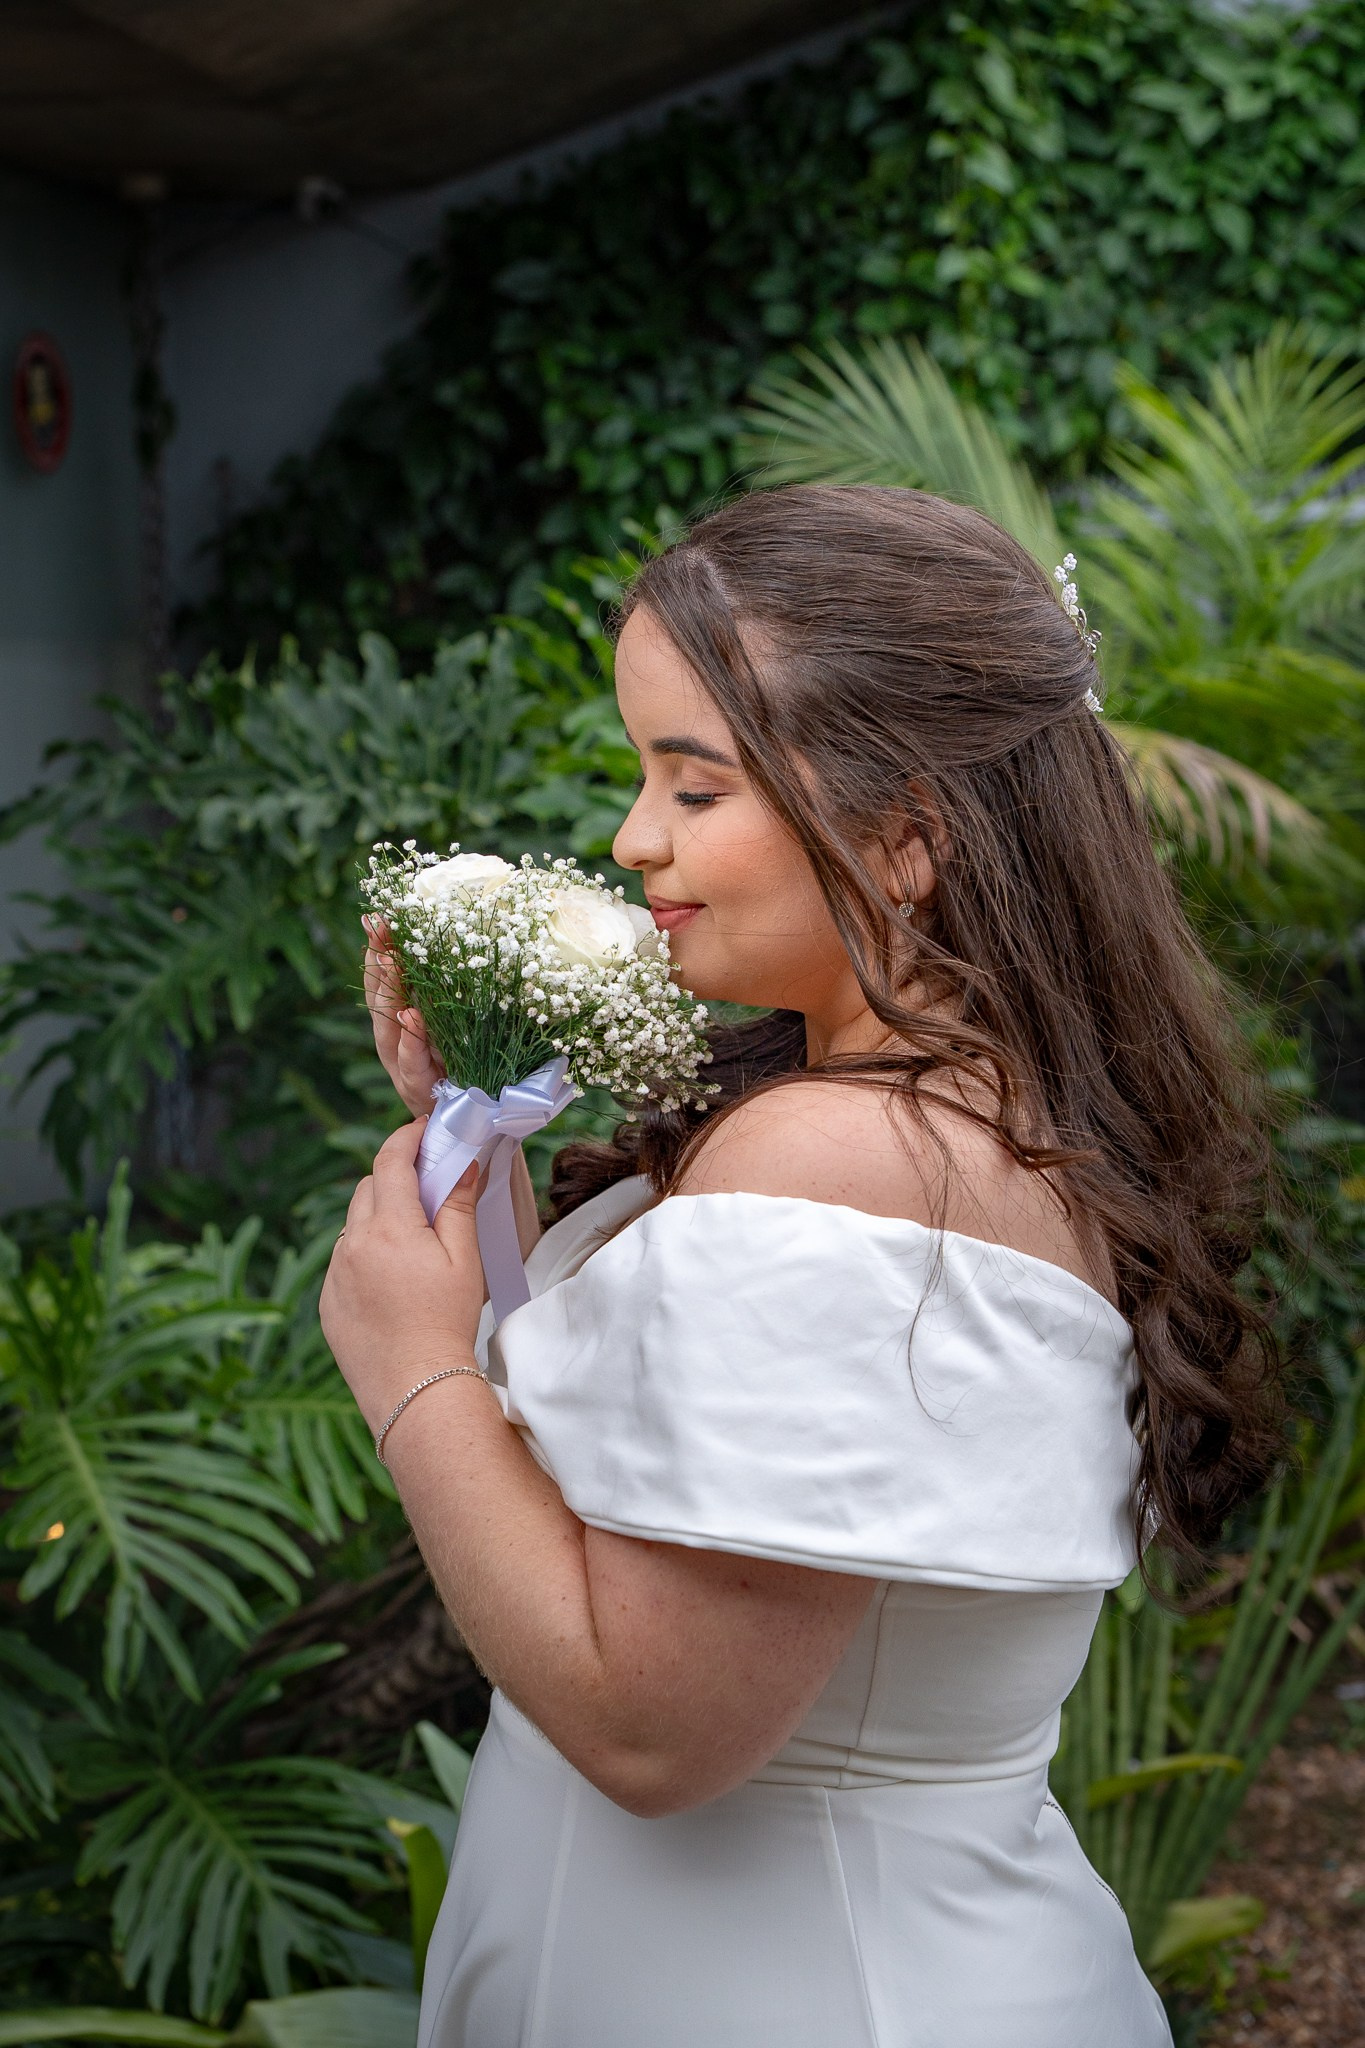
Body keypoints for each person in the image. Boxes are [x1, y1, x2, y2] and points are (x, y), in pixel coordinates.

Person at [321, 486, 1284, 2047]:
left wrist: (411, 1369)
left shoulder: (840, 1162)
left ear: (904, 832)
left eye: (695, 785)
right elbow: (655, 1474)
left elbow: (653, 1729)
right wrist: (468, 1150)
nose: (634, 839)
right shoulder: (941, 1117)